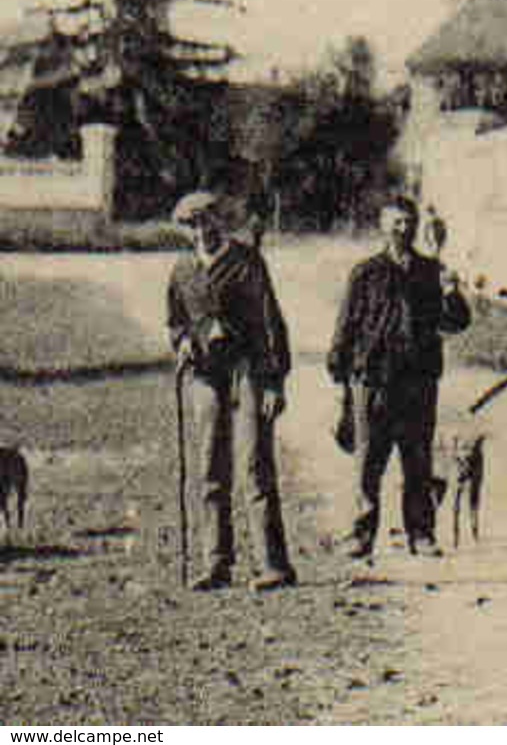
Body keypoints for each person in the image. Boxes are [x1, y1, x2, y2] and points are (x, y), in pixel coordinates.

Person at [328, 195, 471, 560]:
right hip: (373, 380)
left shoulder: (431, 272)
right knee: (368, 461)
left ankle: (421, 534)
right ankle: (361, 534)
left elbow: (456, 323)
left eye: (408, 222)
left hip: (418, 382)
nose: (403, 229)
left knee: (417, 460)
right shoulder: (365, 273)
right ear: (382, 226)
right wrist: (342, 376)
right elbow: (346, 326)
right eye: (396, 222)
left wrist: (452, 292)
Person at [167, 190, 296, 592]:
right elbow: (175, 320)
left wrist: (274, 380)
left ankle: (273, 564)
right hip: (206, 375)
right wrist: (183, 340)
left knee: (254, 465)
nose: (201, 231)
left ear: (219, 221)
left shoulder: (246, 262)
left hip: (248, 371)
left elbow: (271, 323)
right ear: (184, 230)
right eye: (192, 225)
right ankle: (216, 563)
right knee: (210, 469)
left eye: (207, 221)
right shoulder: (182, 269)